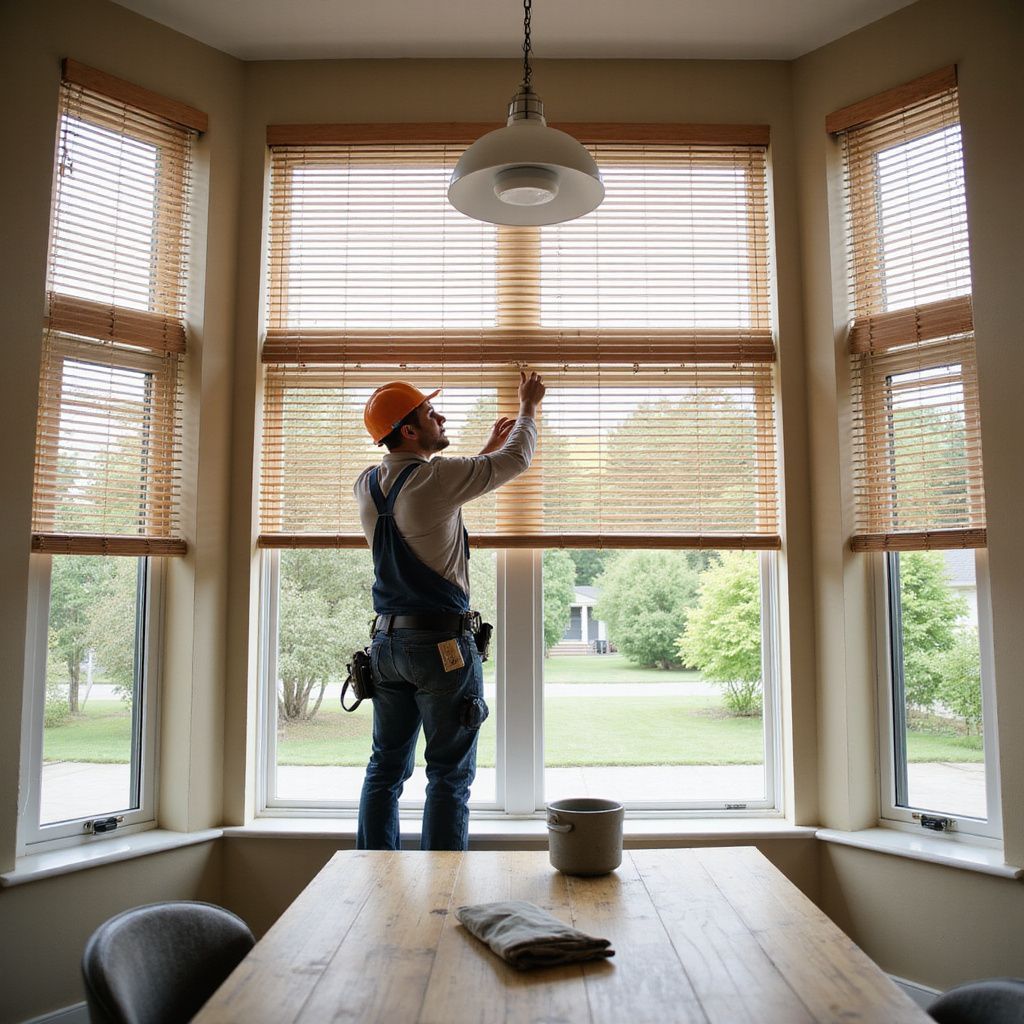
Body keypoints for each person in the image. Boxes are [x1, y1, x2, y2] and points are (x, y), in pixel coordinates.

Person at [353, 370, 546, 850]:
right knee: (448, 775)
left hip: (386, 646)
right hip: (441, 647)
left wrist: (480, 453)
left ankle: (371, 880)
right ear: (410, 431)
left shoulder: (367, 484)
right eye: (428, 412)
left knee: (385, 768)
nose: (439, 416)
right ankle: (442, 889)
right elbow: (516, 458)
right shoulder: (436, 478)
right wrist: (528, 407)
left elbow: (431, 496)